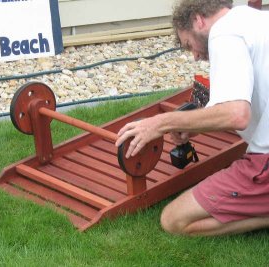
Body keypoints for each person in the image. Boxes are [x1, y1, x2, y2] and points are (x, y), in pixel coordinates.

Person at [115, 0, 269, 236]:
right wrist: (198, 126)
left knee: (174, 220)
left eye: (189, 44)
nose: (196, 56)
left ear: (198, 20)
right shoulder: (255, 19)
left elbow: (237, 114)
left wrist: (162, 123)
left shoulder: (224, 33)